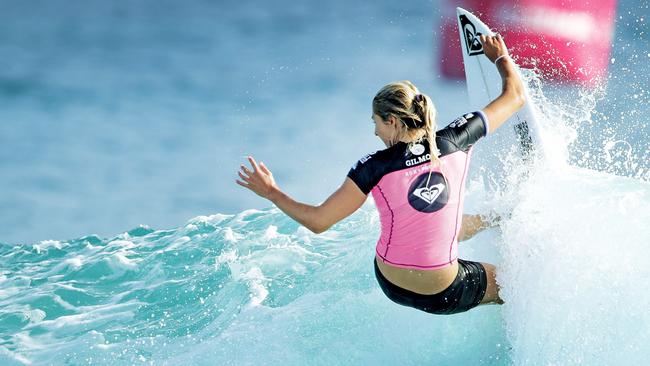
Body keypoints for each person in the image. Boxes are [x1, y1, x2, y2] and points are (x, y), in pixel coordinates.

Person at [236, 34, 525, 314]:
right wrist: (500, 58)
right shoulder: (455, 140)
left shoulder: (372, 166)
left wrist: (271, 192)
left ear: (392, 120)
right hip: (444, 291)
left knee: (432, 217)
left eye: (376, 123)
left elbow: (318, 221)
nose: (375, 132)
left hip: (391, 282)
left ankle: (493, 218)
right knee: (514, 284)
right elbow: (515, 95)